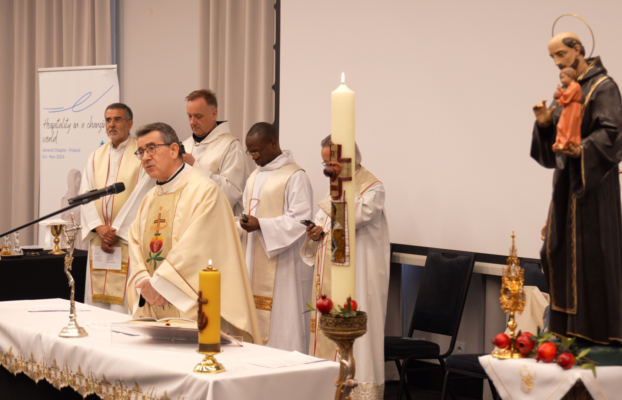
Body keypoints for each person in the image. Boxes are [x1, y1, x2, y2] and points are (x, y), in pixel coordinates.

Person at [127, 122, 261, 344]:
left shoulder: (204, 190)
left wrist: (160, 284)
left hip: (193, 312)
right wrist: (143, 280)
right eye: (140, 152)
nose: (145, 158)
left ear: (173, 150)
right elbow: (134, 240)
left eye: (151, 148)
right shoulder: (150, 198)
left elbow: (199, 246)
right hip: (154, 310)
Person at [531, 32, 622, 345]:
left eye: (561, 55)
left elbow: (611, 133)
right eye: (553, 58)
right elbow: (554, 140)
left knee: (590, 256)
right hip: (566, 189)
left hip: (593, 189)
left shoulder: (603, 87)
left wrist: (581, 150)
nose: (557, 62)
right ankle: (565, 327)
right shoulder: (567, 89)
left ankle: (594, 334)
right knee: (553, 251)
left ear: (578, 50)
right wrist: (544, 123)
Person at [301, 135, 390, 400]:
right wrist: (315, 233)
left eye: (330, 164)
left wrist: (330, 210)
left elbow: (352, 218)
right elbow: (327, 224)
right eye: (324, 164)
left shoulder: (372, 187)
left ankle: (357, 392)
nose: (327, 170)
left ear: (347, 160)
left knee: (357, 341)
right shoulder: (336, 189)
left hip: (358, 280)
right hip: (332, 275)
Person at [239, 122, 314, 352]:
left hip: (284, 264)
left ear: (273, 143)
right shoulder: (254, 177)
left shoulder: (295, 176)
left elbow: (301, 220)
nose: (253, 157)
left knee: (283, 318)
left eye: (256, 151)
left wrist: (261, 225)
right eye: (249, 151)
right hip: (254, 260)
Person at [80, 103, 154, 312]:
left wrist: (115, 232)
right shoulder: (95, 156)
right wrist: (98, 227)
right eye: (108, 120)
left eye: (117, 119)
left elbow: (142, 195)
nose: (111, 124)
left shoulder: (141, 155)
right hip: (99, 239)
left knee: (121, 306)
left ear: (130, 123)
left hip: (124, 239)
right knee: (96, 306)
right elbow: (85, 195)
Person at [181, 89, 249, 215]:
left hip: (217, 223)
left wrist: (195, 166)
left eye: (198, 116)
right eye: (189, 116)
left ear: (213, 114)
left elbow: (232, 192)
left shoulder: (231, 146)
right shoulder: (185, 145)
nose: (192, 122)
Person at [552, 67, 582, 150]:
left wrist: (560, 99)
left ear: (570, 76)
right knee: (561, 125)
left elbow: (567, 97)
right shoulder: (570, 87)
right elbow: (567, 95)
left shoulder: (575, 86)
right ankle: (560, 141)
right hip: (568, 108)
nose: (561, 80)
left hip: (573, 108)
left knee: (570, 127)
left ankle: (567, 143)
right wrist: (562, 91)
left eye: (563, 77)